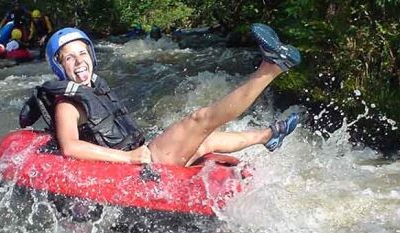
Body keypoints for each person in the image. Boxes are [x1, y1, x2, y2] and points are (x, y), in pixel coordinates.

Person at [19, 24, 301, 167]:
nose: (79, 61)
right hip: (139, 165)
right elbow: (70, 147)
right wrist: (129, 158)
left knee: (207, 139)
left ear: (91, 56)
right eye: (69, 58)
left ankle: (268, 135)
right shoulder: (68, 103)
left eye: (82, 53)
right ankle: (271, 67)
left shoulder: (93, 87)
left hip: (145, 154)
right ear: (59, 66)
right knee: (200, 119)